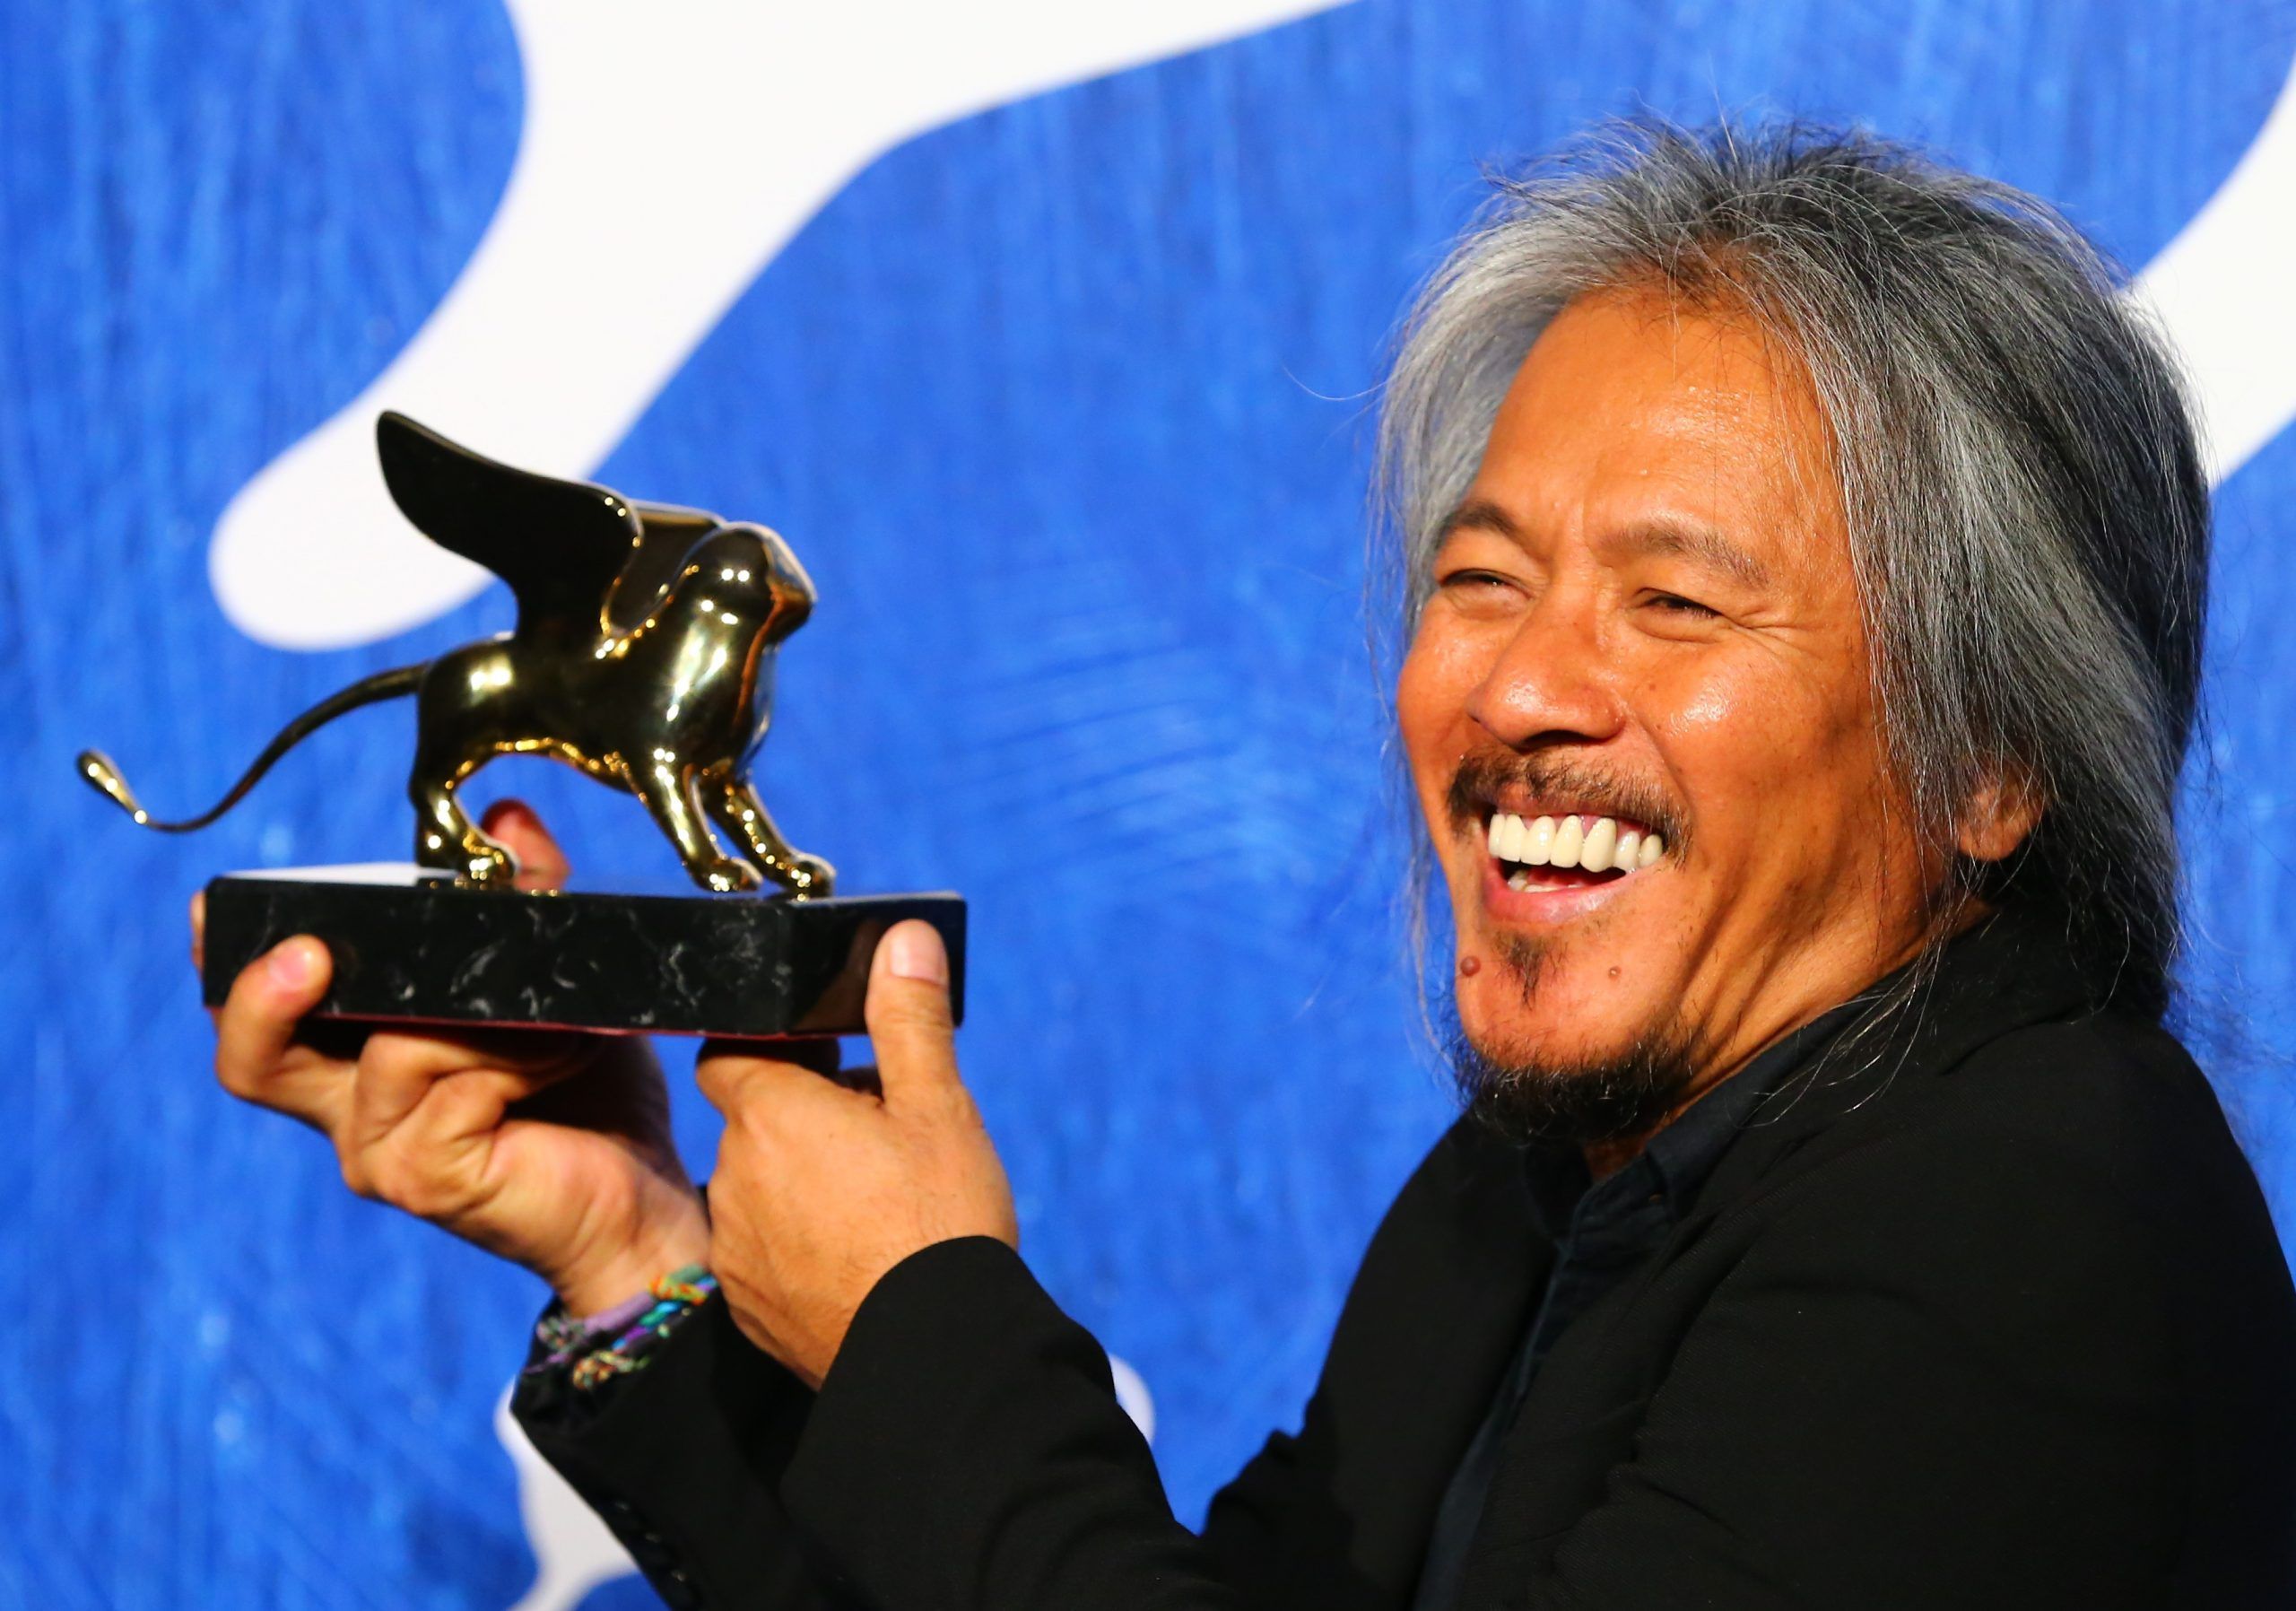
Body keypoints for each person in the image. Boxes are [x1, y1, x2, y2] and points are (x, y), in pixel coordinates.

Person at [202, 121, 2296, 1609]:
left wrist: (925, 1320)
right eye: (1478, 578)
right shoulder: (1519, 1192)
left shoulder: (2029, 1208)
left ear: (1989, 762)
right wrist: (645, 1260)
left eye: (1671, 602)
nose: (1516, 689)